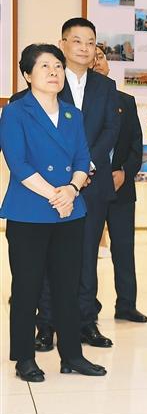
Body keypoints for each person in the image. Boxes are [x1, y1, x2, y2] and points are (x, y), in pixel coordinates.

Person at [1, 44, 107, 381]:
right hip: (30, 212)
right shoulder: (15, 112)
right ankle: (24, 358)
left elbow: (82, 159)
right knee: (27, 288)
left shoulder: (72, 114)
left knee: (67, 287)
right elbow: (18, 164)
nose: (53, 72)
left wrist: (72, 190)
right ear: (27, 74)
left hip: (69, 212)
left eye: (58, 66)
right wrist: (56, 195)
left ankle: (72, 355)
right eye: (44, 66)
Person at [29, 18, 120, 352]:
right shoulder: (48, 80)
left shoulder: (105, 86)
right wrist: (67, 173)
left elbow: (111, 129)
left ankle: (85, 322)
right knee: (48, 257)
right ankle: (46, 324)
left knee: (86, 256)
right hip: (51, 186)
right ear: (63, 44)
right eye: (77, 41)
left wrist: (86, 166)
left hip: (92, 183)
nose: (84, 48)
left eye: (91, 42)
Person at [93, 46, 147, 323]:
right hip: (90, 186)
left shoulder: (126, 101)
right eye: (91, 57)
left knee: (124, 248)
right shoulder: (77, 100)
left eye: (100, 56)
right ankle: (87, 306)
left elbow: (136, 145)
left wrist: (125, 172)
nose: (96, 61)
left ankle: (127, 304)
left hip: (122, 186)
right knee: (87, 250)